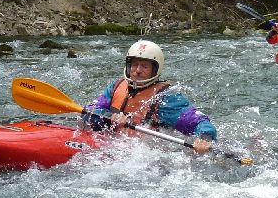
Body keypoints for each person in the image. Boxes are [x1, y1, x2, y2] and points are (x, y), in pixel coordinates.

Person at [83, 40, 217, 153]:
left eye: (144, 66)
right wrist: (108, 116)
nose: (138, 70)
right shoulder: (116, 86)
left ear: (154, 70)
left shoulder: (165, 97)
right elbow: (89, 110)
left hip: (145, 153)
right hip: (113, 144)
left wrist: (204, 138)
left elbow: (199, 121)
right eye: (134, 65)